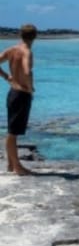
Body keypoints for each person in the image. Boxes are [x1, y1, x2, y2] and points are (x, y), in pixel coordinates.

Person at [0, 24, 38, 175]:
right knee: (13, 132)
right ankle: (18, 167)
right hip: (21, 94)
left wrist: (6, 77)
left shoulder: (11, 50)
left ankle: (10, 164)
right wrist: (30, 87)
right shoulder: (26, 52)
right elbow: (27, 71)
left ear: (20, 35)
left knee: (12, 129)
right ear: (34, 37)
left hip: (12, 92)